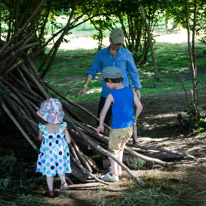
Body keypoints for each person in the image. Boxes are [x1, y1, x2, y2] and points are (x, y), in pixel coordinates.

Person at [76, 28, 142, 144]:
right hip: (107, 93)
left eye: (120, 44)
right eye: (116, 43)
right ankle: (102, 141)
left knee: (127, 118)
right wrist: (85, 86)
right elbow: (92, 70)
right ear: (110, 40)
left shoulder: (126, 54)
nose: (118, 46)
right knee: (102, 118)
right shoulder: (101, 55)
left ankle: (133, 141)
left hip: (123, 93)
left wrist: (137, 88)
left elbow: (133, 72)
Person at [97, 66, 143, 182]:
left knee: (112, 151)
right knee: (120, 148)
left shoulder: (111, 95)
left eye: (105, 82)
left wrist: (101, 125)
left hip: (118, 128)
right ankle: (118, 169)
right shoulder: (130, 90)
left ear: (110, 81)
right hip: (129, 128)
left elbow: (103, 112)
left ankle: (113, 175)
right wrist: (135, 118)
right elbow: (140, 106)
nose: (106, 85)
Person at [36, 98, 72, 198]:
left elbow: (40, 138)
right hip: (61, 151)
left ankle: (51, 190)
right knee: (61, 167)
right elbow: (68, 141)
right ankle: (63, 182)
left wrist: (43, 138)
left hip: (48, 152)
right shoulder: (63, 126)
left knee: (49, 171)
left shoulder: (42, 127)